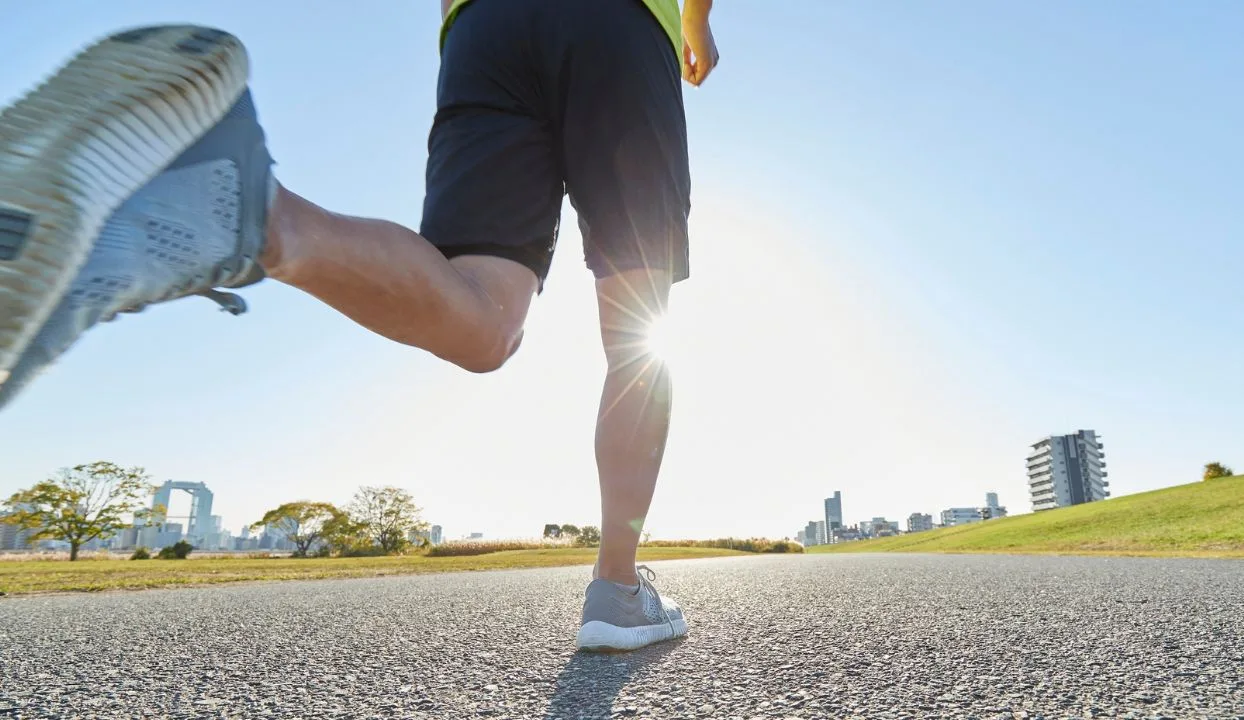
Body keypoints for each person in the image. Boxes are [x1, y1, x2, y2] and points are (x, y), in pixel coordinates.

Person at [0, 0, 717, 652]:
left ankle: (253, 212)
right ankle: (618, 590)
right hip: (617, 23)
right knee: (636, 335)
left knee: (484, 322)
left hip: (484, 28)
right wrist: (697, 23)